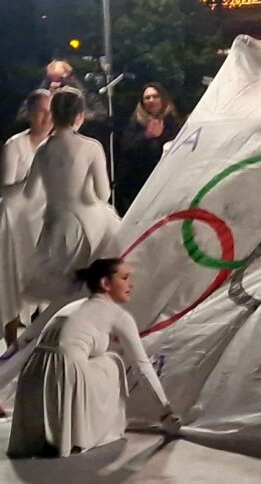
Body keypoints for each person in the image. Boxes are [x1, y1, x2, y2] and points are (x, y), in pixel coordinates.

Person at [7, 258, 176, 458]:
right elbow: (142, 365)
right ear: (105, 283)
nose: (131, 285)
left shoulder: (73, 307)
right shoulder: (117, 315)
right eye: (124, 278)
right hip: (63, 376)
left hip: (31, 378)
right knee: (113, 362)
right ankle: (86, 430)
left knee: (99, 357)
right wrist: (165, 410)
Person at [19, 88, 121, 325]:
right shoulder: (91, 147)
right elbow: (103, 194)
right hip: (85, 224)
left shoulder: (43, 149)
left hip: (54, 226)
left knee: (60, 291)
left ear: (53, 114)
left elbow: (29, 192)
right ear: (79, 115)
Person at [0, 90, 52, 345]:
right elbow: (7, 190)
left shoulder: (57, 144)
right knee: (12, 282)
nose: (47, 117)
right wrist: (33, 181)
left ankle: (44, 338)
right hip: (16, 222)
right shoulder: (15, 145)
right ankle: (11, 343)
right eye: (41, 111)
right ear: (30, 114)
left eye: (50, 112)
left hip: (45, 221)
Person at [116, 83, 182, 214]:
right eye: (147, 98)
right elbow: (126, 149)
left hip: (167, 180)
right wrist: (146, 136)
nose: (151, 100)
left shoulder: (173, 121)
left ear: (163, 99)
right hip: (140, 183)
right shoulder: (135, 123)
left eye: (155, 96)